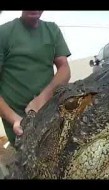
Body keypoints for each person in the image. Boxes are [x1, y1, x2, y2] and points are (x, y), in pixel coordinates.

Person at [0, 11, 71, 145]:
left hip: (51, 114)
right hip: (19, 124)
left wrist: (42, 98)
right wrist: (14, 119)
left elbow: (64, 68)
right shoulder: (3, 33)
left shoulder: (52, 29)